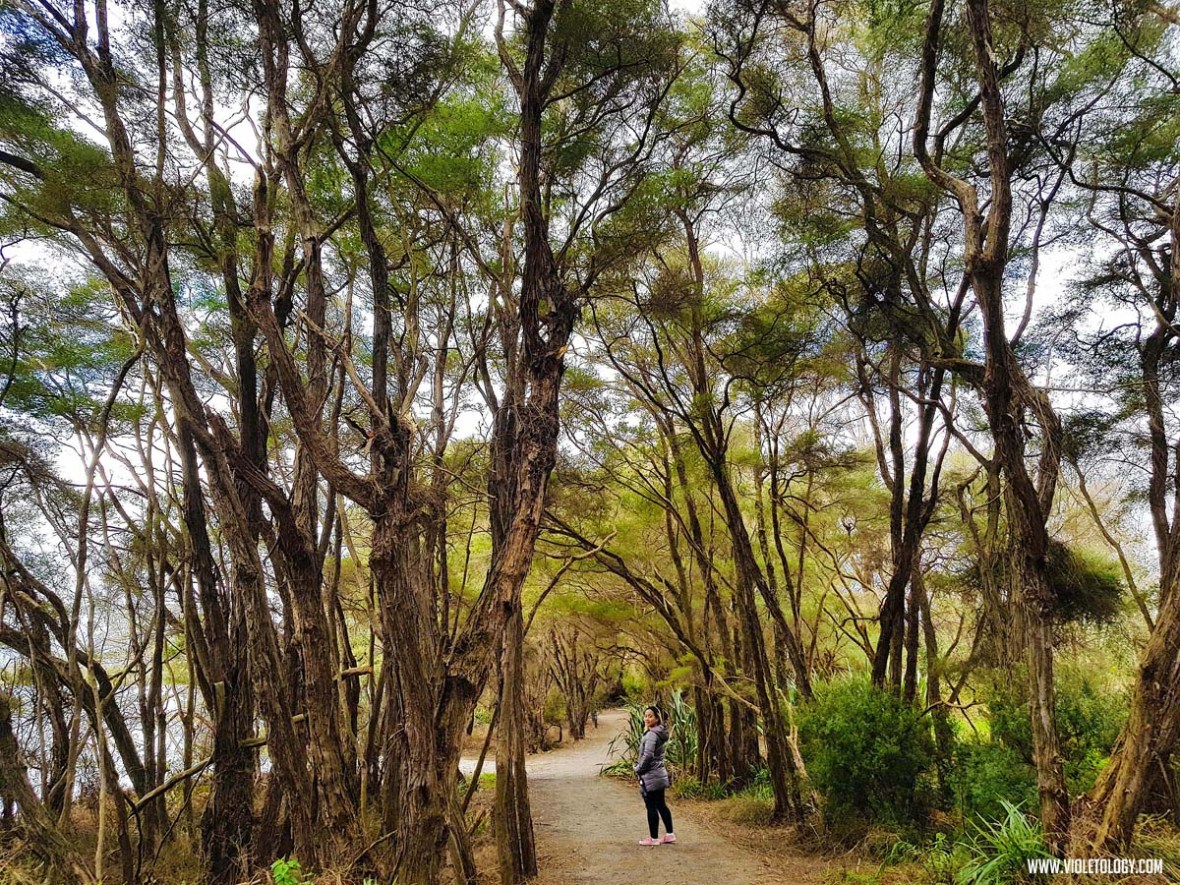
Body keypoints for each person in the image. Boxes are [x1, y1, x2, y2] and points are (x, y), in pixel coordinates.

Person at [634, 705, 675, 846]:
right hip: (659, 774)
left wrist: (639, 768)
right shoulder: (658, 733)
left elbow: (648, 755)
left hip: (651, 775)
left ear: (657, 718)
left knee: (651, 806)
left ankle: (653, 838)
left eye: (650, 716)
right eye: (645, 715)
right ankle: (670, 834)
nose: (647, 718)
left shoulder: (652, 734)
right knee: (661, 804)